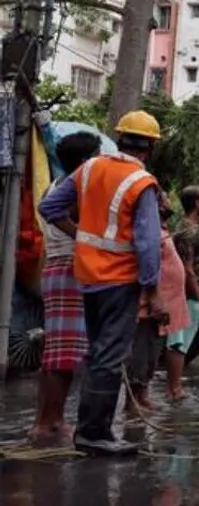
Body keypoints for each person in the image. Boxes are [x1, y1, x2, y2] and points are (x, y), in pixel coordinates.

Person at [39, 110, 166, 456]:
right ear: (150, 147)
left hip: (87, 278)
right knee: (109, 357)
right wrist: (153, 290)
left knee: (98, 355)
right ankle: (95, 434)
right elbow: (147, 242)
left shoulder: (89, 169)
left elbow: (49, 207)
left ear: (120, 138)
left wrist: (80, 236)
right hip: (120, 281)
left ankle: (88, 431)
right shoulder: (141, 183)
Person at [29, 131, 102, 444]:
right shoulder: (74, 189)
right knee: (63, 355)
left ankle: (50, 419)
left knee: (57, 350)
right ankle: (48, 422)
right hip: (69, 270)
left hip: (57, 270)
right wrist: (86, 237)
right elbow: (62, 218)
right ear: (86, 162)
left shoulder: (56, 186)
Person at [126, 190, 190, 413]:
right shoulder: (149, 231)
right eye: (164, 199)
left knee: (152, 351)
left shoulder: (161, 230)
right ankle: (133, 401)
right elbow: (147, 262)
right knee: (142, 351)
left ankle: (142, 397)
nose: (169, 202)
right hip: (152, 303)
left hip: (165, 304)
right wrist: (154, 297)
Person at [168, 185, 199, 399]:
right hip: (187, 294)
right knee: (179, 341)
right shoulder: (188, 230)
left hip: (192, 293)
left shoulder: (191, 227)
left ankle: (175, 387)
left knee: (181, 341)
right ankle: (175, 389)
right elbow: (187, 268)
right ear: (197, 203)